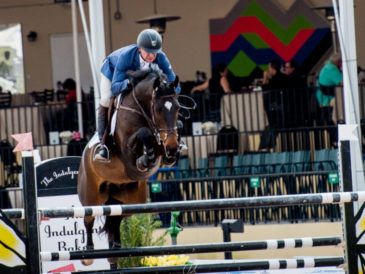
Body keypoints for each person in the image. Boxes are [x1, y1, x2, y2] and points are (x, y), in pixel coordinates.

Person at [95, 28, 180, 161]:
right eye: (148, 52)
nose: (152, 56)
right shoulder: (126, 57)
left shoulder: (161, 57)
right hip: (112, 72)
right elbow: (116, 88)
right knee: (106, 99)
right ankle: (103, 144)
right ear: (139, 48)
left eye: (155, 52)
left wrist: (167, 91)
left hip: (138, 78)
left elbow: (175, 84)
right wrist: (129, 83)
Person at [259, 59, 289, 150]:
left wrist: (265, 79)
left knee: (272, 125)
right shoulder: (285, 77)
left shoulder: (274, 80)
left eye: (269, 68)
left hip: (276, 107)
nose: (268, 70)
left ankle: (271, 145)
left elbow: (266, 91)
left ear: (272, 68)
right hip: (286, 106)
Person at [315, 53, 342, 147]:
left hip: (322, 100)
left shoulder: (326, 67)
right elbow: (343, 82)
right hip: (328, 100)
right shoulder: (332, 69)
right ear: (338, 62)